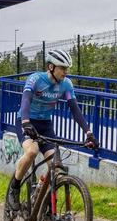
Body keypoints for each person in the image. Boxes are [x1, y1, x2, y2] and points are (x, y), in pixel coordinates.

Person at [6, 49, 97, 204]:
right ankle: (14, 188)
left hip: (45, 125)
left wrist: (88, 132)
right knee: (32, 152)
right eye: (62, 68)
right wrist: (26, 122)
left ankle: (42, 198)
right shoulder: (35, 79)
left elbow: (75, 109)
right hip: (26, 121)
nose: (65, 72)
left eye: (67, 68)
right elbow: (26, 100)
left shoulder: (66, 85)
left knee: (56, 167)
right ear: (51, 67)